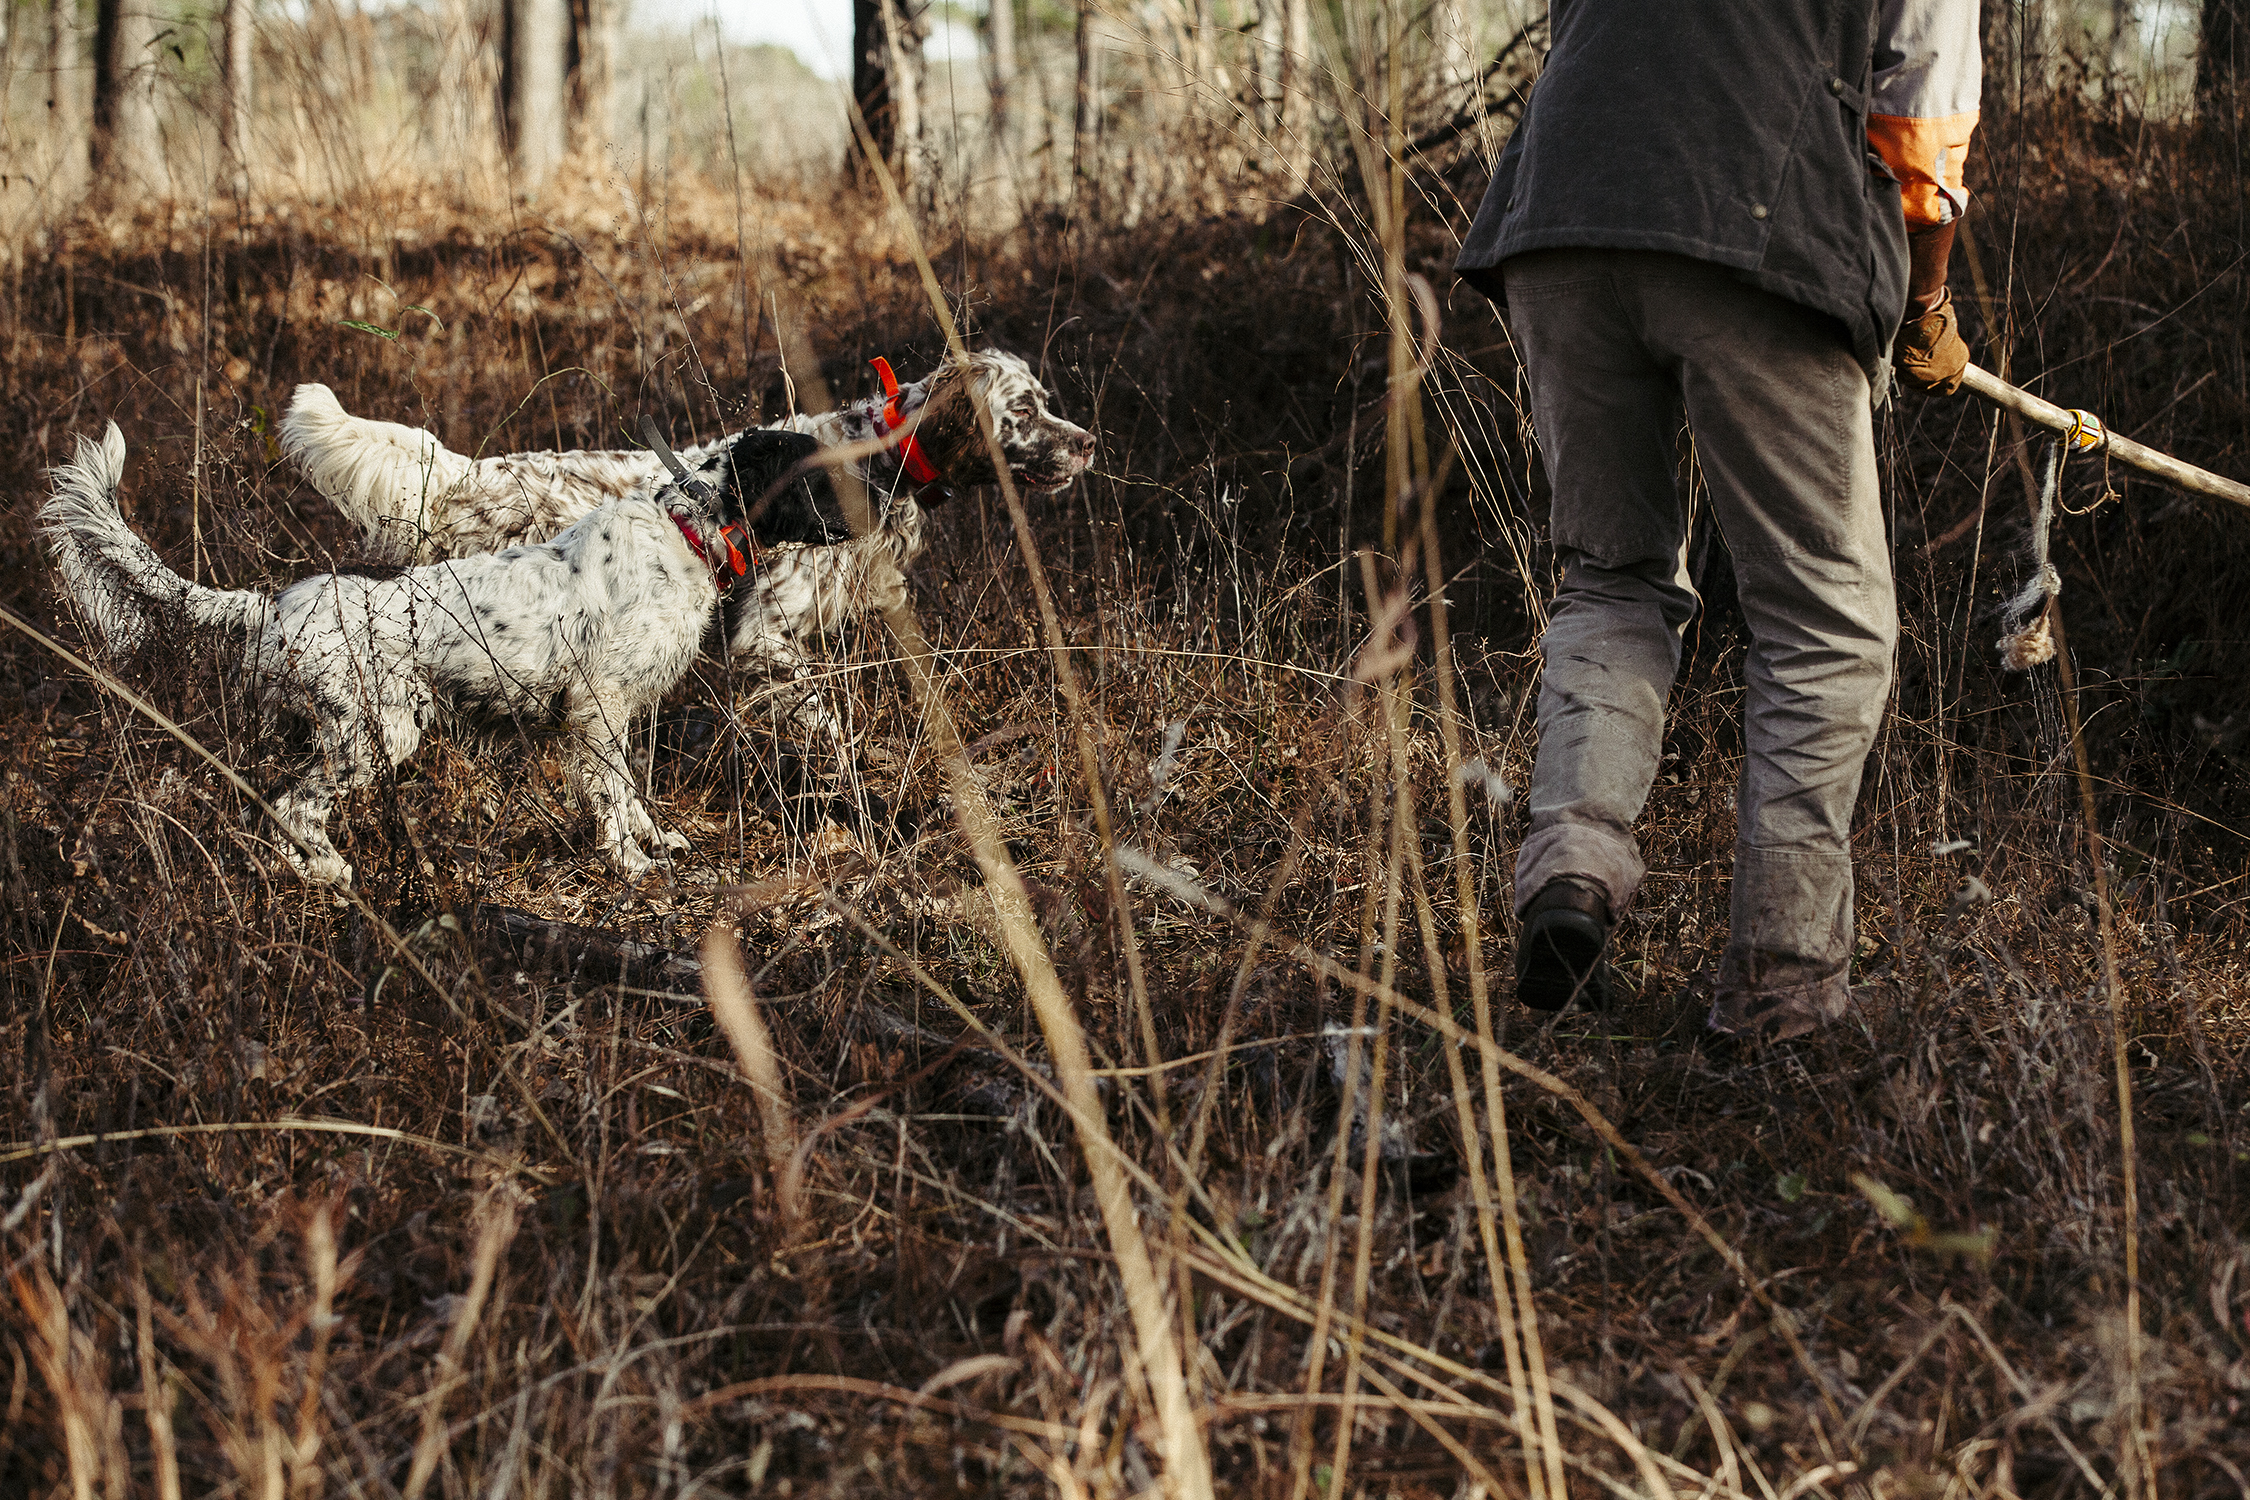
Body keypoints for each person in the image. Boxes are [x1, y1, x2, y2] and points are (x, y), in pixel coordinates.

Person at [1455, 2, 1979, 1040]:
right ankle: (1783, 989)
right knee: (1826, 618)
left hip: (1562, 213)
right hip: (1755, 224)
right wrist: (1928, 301)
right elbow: (1921, 120)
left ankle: (1571, 869)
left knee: (1613, 575)